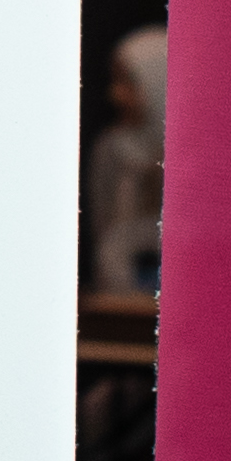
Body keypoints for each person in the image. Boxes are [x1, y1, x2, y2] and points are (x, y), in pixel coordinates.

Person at [89, 25, 168, 294]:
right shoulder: (110, 149)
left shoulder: (193, 158)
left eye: (128, 83)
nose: (116, 95)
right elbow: (104, 232)